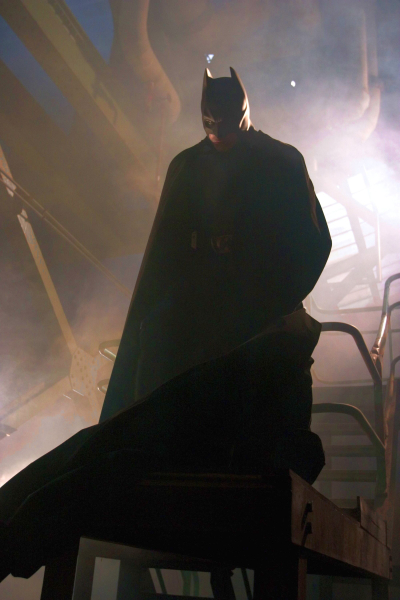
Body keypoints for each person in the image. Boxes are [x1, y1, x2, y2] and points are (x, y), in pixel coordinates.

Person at [0, 68, 331, 581]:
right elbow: (164, 271)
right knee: (100, 448)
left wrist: (252, 305)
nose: (220, 137)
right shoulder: (190, 168)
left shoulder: (281, 164)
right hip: (191, 367)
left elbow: (310, 247)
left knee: (106, 454)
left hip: (242, 373)